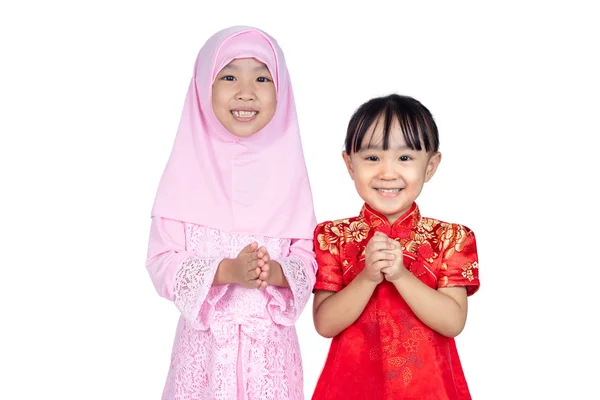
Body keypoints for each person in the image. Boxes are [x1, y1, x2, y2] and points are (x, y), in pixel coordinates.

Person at [146, 26, 317, 399]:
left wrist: (273, 271)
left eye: (261, 76)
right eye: (228, 76)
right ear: (203, 86)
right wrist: (227, 271)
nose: (246, 91)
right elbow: (161, 263)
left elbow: (309, 260)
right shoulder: (184, 171)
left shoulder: (289, 174)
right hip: (203, 362)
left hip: (271, 364)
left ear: (281, 91)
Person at [312, 94, 480, 399]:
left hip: (430, 390)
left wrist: (402, 276)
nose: (387, 173)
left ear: (431, 166)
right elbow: (325, 323)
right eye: (372, 158)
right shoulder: (332, 236)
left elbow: (453, 322)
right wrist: (367, 278)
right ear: (349, 164)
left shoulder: (452, 238)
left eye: (405, 158)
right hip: (350, 389)